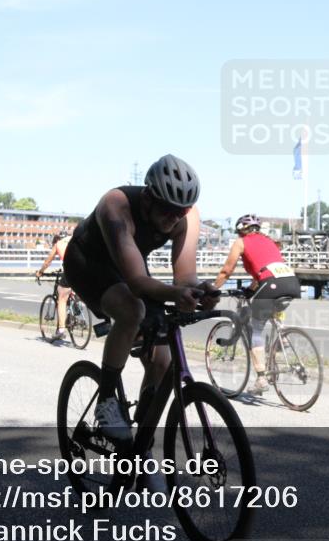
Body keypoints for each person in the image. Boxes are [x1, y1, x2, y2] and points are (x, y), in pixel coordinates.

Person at [63, 154, 218, 441]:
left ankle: (140, 447)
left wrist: (199, 290)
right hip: (88, 263)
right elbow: (136, 282)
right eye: (167, 210)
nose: (173, 219)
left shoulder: (187, 215)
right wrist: (176, 294)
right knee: (132, 310)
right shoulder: (116, 204)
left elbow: (184, 277)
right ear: (148, 197)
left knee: (162, 360)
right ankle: (106, 401)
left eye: (180, 212)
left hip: (128, 264)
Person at [213, 214, 300, 395]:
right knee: (270, 308)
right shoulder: (269, 241)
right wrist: (251, 289)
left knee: (256, 327)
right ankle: (281, 339)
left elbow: (226, 270)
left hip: (271, 285)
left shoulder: (241, 242)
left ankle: (261, 378)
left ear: (241, 230)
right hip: (291, 282)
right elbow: (263, 272)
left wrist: (212, 289)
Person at [35, 233, 73, 340]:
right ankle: (75, 306)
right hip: (86, 268)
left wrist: (40, 272)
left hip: (71, 268)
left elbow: (48, 261)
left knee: (62, 298)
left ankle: (61, 330)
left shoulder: (58, 244)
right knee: (74, 289)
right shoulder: (74, 238)